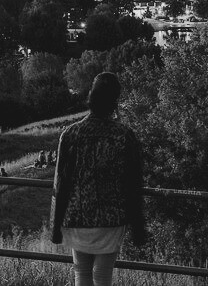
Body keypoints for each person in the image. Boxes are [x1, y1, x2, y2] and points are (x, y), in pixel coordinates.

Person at [51, 72, 146, 286]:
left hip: (77, 217)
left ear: (90, 98)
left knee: (81, 273)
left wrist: (56, 226)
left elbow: (61, 184)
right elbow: (133, 185)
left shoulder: (70, 134)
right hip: (110, 220)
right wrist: (138, 226)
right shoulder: (124, 136)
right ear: (115, 101)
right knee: (102, 277)